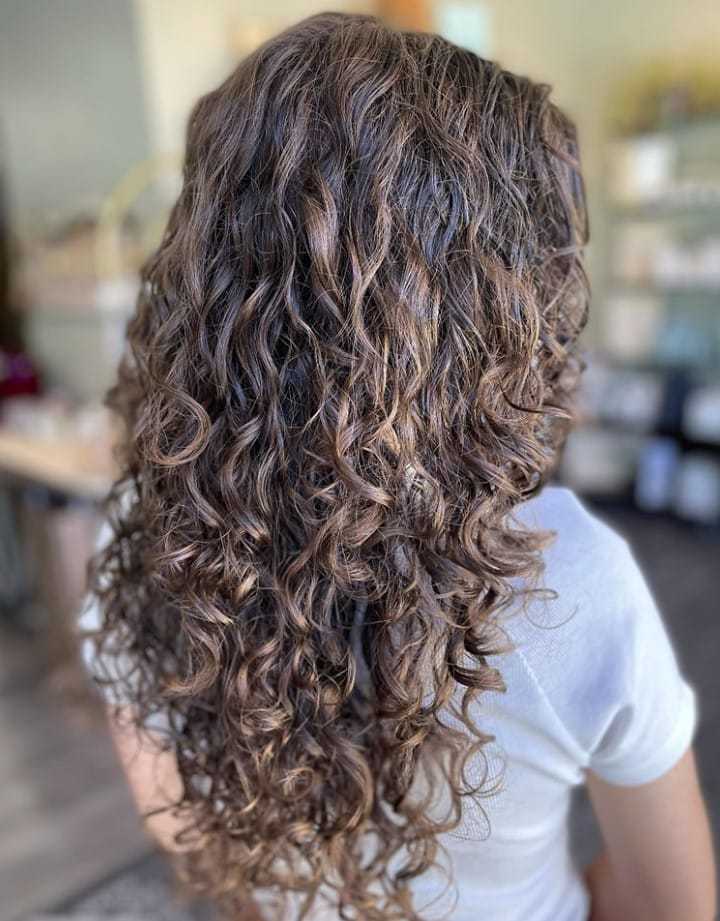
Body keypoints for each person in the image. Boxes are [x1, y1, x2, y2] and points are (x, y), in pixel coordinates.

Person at [78, 12, 715, 921]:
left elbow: (177, 823)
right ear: (499, 302)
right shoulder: (571, 579)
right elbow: (670, 905)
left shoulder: (149, 526)